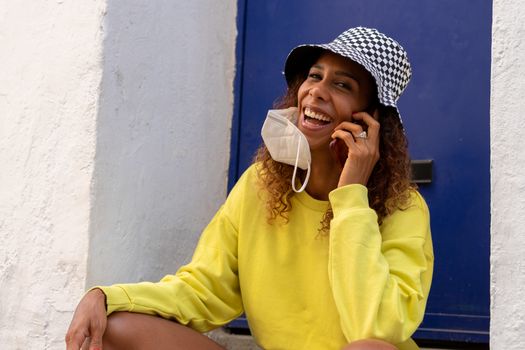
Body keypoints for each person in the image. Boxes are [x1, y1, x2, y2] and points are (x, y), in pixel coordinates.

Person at [66, 27, 433, 350]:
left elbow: (376, 328)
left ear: (370, 120)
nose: (316, 92)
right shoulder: (260, 185)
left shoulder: (402, 207)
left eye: (342, 85)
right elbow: (202, 289)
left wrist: (352, 196)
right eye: (313, 76)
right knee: (117, 329)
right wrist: (108, 296)